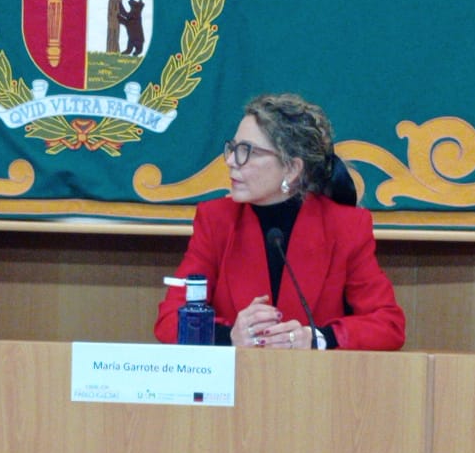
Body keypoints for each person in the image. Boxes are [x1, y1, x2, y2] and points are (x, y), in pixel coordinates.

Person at [155, 93, 405, 350]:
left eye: (248, 152)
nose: (230, 161)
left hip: (314, 374)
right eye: (234, 148)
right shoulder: (216, 220)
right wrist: (228, 336)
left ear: (292, 168)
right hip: (238, 374)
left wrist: (316, 338)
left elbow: (388, 324)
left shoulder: (345, 227)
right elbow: (169, 320)